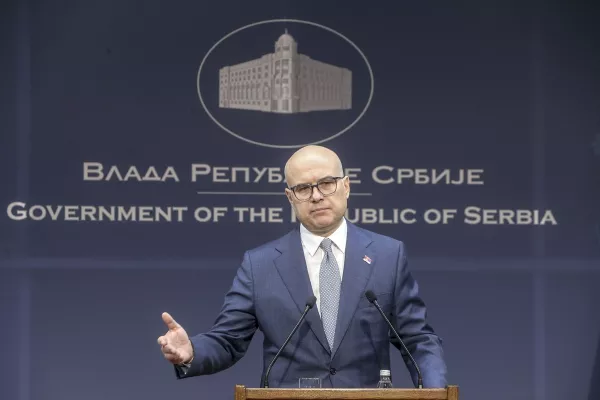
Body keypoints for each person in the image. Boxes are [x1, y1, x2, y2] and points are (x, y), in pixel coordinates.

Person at [157, 145, 447, 388]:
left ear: (346, 186)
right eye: (303, 188)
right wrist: (190, 351)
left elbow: (417, 339)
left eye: (326, 183)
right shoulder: (260, 265)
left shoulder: (387, 255)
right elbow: (228, 341)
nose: (317, 195)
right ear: (290, 197)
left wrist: (435, 393)